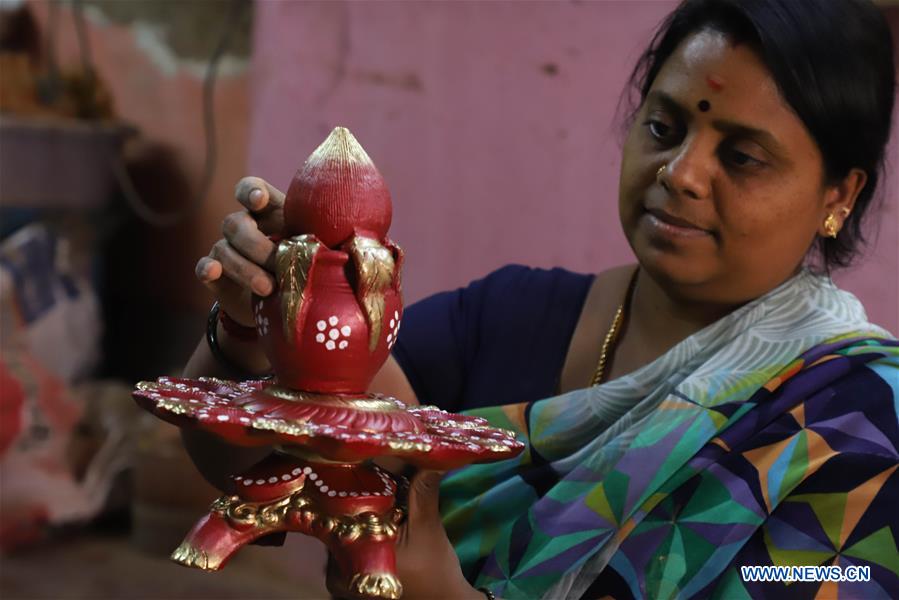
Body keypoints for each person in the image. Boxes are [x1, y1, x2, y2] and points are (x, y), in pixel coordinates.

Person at [181, 0, 899, 597]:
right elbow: (267, 473)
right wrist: (260, 323)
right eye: (663, 128)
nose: (680, 173)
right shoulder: (506, 318)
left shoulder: (856, 418)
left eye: (740, 156)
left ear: (837, 195)